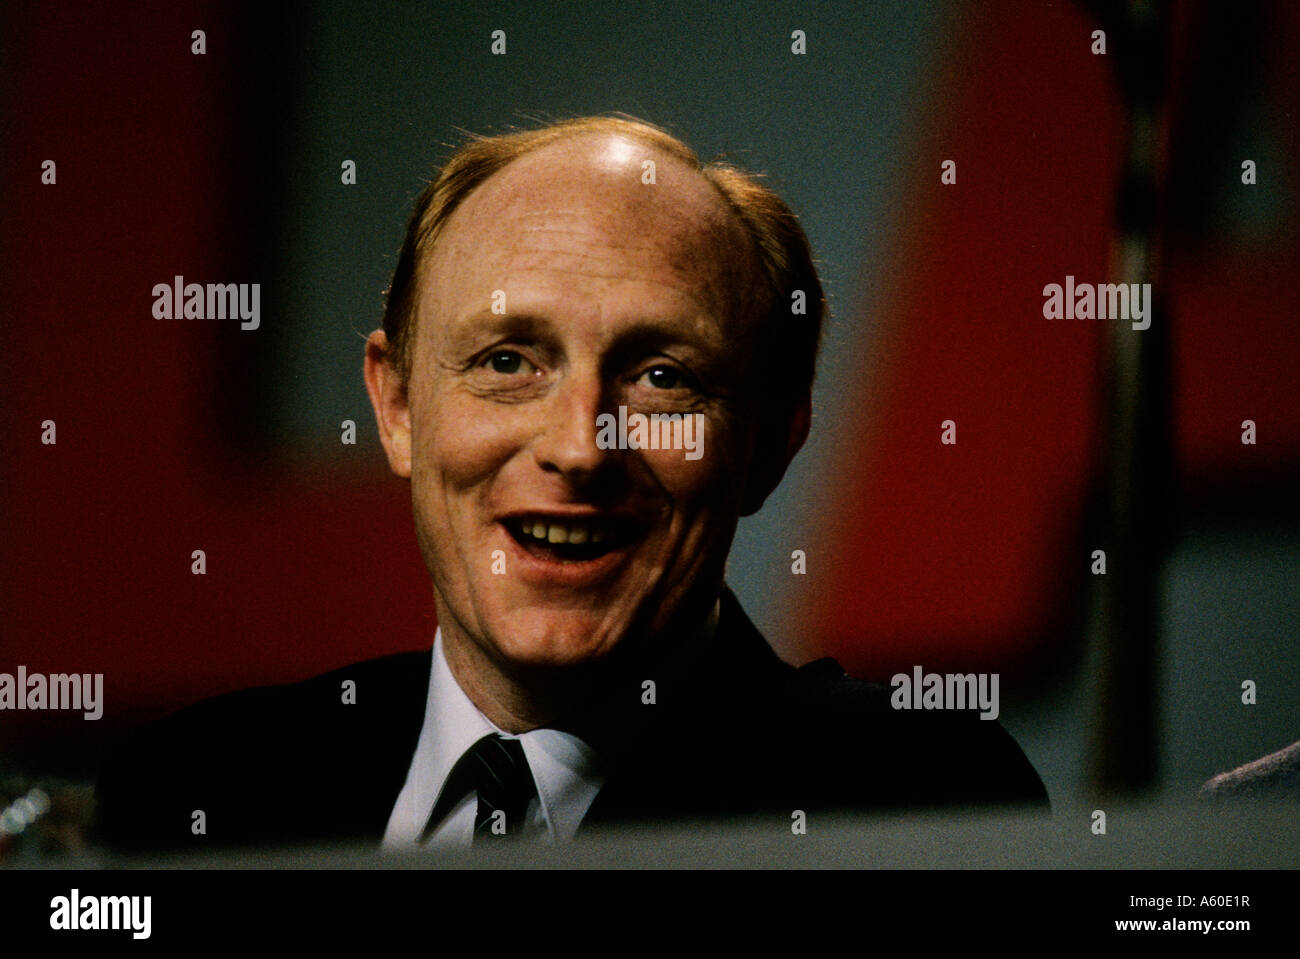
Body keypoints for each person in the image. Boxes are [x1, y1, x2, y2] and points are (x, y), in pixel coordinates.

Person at [96, 116, 1047, 853]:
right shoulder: (186, 793)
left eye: (662, 376)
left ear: (770, 443)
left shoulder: (913, 805)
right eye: (510, 360)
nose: (580, 449)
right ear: (396, 408)